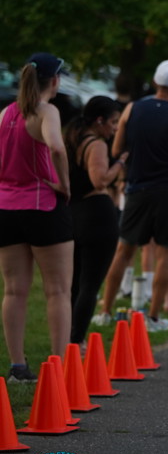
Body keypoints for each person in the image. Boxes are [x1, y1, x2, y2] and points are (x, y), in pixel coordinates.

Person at [97, 59, 168, 332]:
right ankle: (153, 317)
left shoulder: (132, 109)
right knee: (166, 251)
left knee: (124, 249)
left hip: (137, 187)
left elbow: (116, 149)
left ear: (155, 82)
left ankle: (106, 311)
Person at [0, 53, 73, 382]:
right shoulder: (46, 111)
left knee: (14, 291)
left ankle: (18, 366)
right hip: (42, 206)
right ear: (54, 80)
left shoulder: (6, 113)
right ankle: (59, 366)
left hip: (6, 208)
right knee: (57, 291)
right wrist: (64, 185)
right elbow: (57, 147)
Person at [66, 96, 127, 345]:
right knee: (90, 285)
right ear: (99, 121)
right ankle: (76, 340)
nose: (115, 128)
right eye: (113, 122)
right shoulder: (97, 144)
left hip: (73, 213)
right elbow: (100, 180)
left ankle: (66, 338)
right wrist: (120, 163)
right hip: (97, 215)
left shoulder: (72, 138)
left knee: (74, 284)